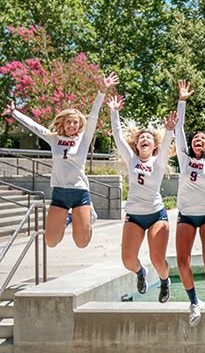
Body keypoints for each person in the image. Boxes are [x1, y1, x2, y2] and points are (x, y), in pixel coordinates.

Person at [2, 73, 118, 248]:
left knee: (82, 243)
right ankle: (70, 218)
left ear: (80, 126)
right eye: (69, 122)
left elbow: (93, 116)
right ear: (63, 123)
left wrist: (102, 91)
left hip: (79, 192)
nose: (72, 125)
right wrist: (14, 113)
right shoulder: (54, 139)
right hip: (59, 193)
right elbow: (35, 127)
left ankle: (87, 216)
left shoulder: (83, 139)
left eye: (75, 123)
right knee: (50, 241)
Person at [107, 94, 174, 302]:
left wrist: (170, 129)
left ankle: (165, 281)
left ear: (154, 145)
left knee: (158, 259)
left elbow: (167, 144)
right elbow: (118, 136)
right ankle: (140, 273)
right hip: (134, 216)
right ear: (136, 145)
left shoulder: (159, 161)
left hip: (156, 215)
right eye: (141, 138)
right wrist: (114, 111)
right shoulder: (131, 159)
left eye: (149, 138)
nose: (145, 139)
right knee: (128, 260)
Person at [174, 80, 205, 326]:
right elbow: (179, 130)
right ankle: (194, 301)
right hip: (186, 214)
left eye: (204, 139)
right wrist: (182, 101)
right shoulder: (184, 160)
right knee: (182, 261)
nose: (199, 141)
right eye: (196, 139)